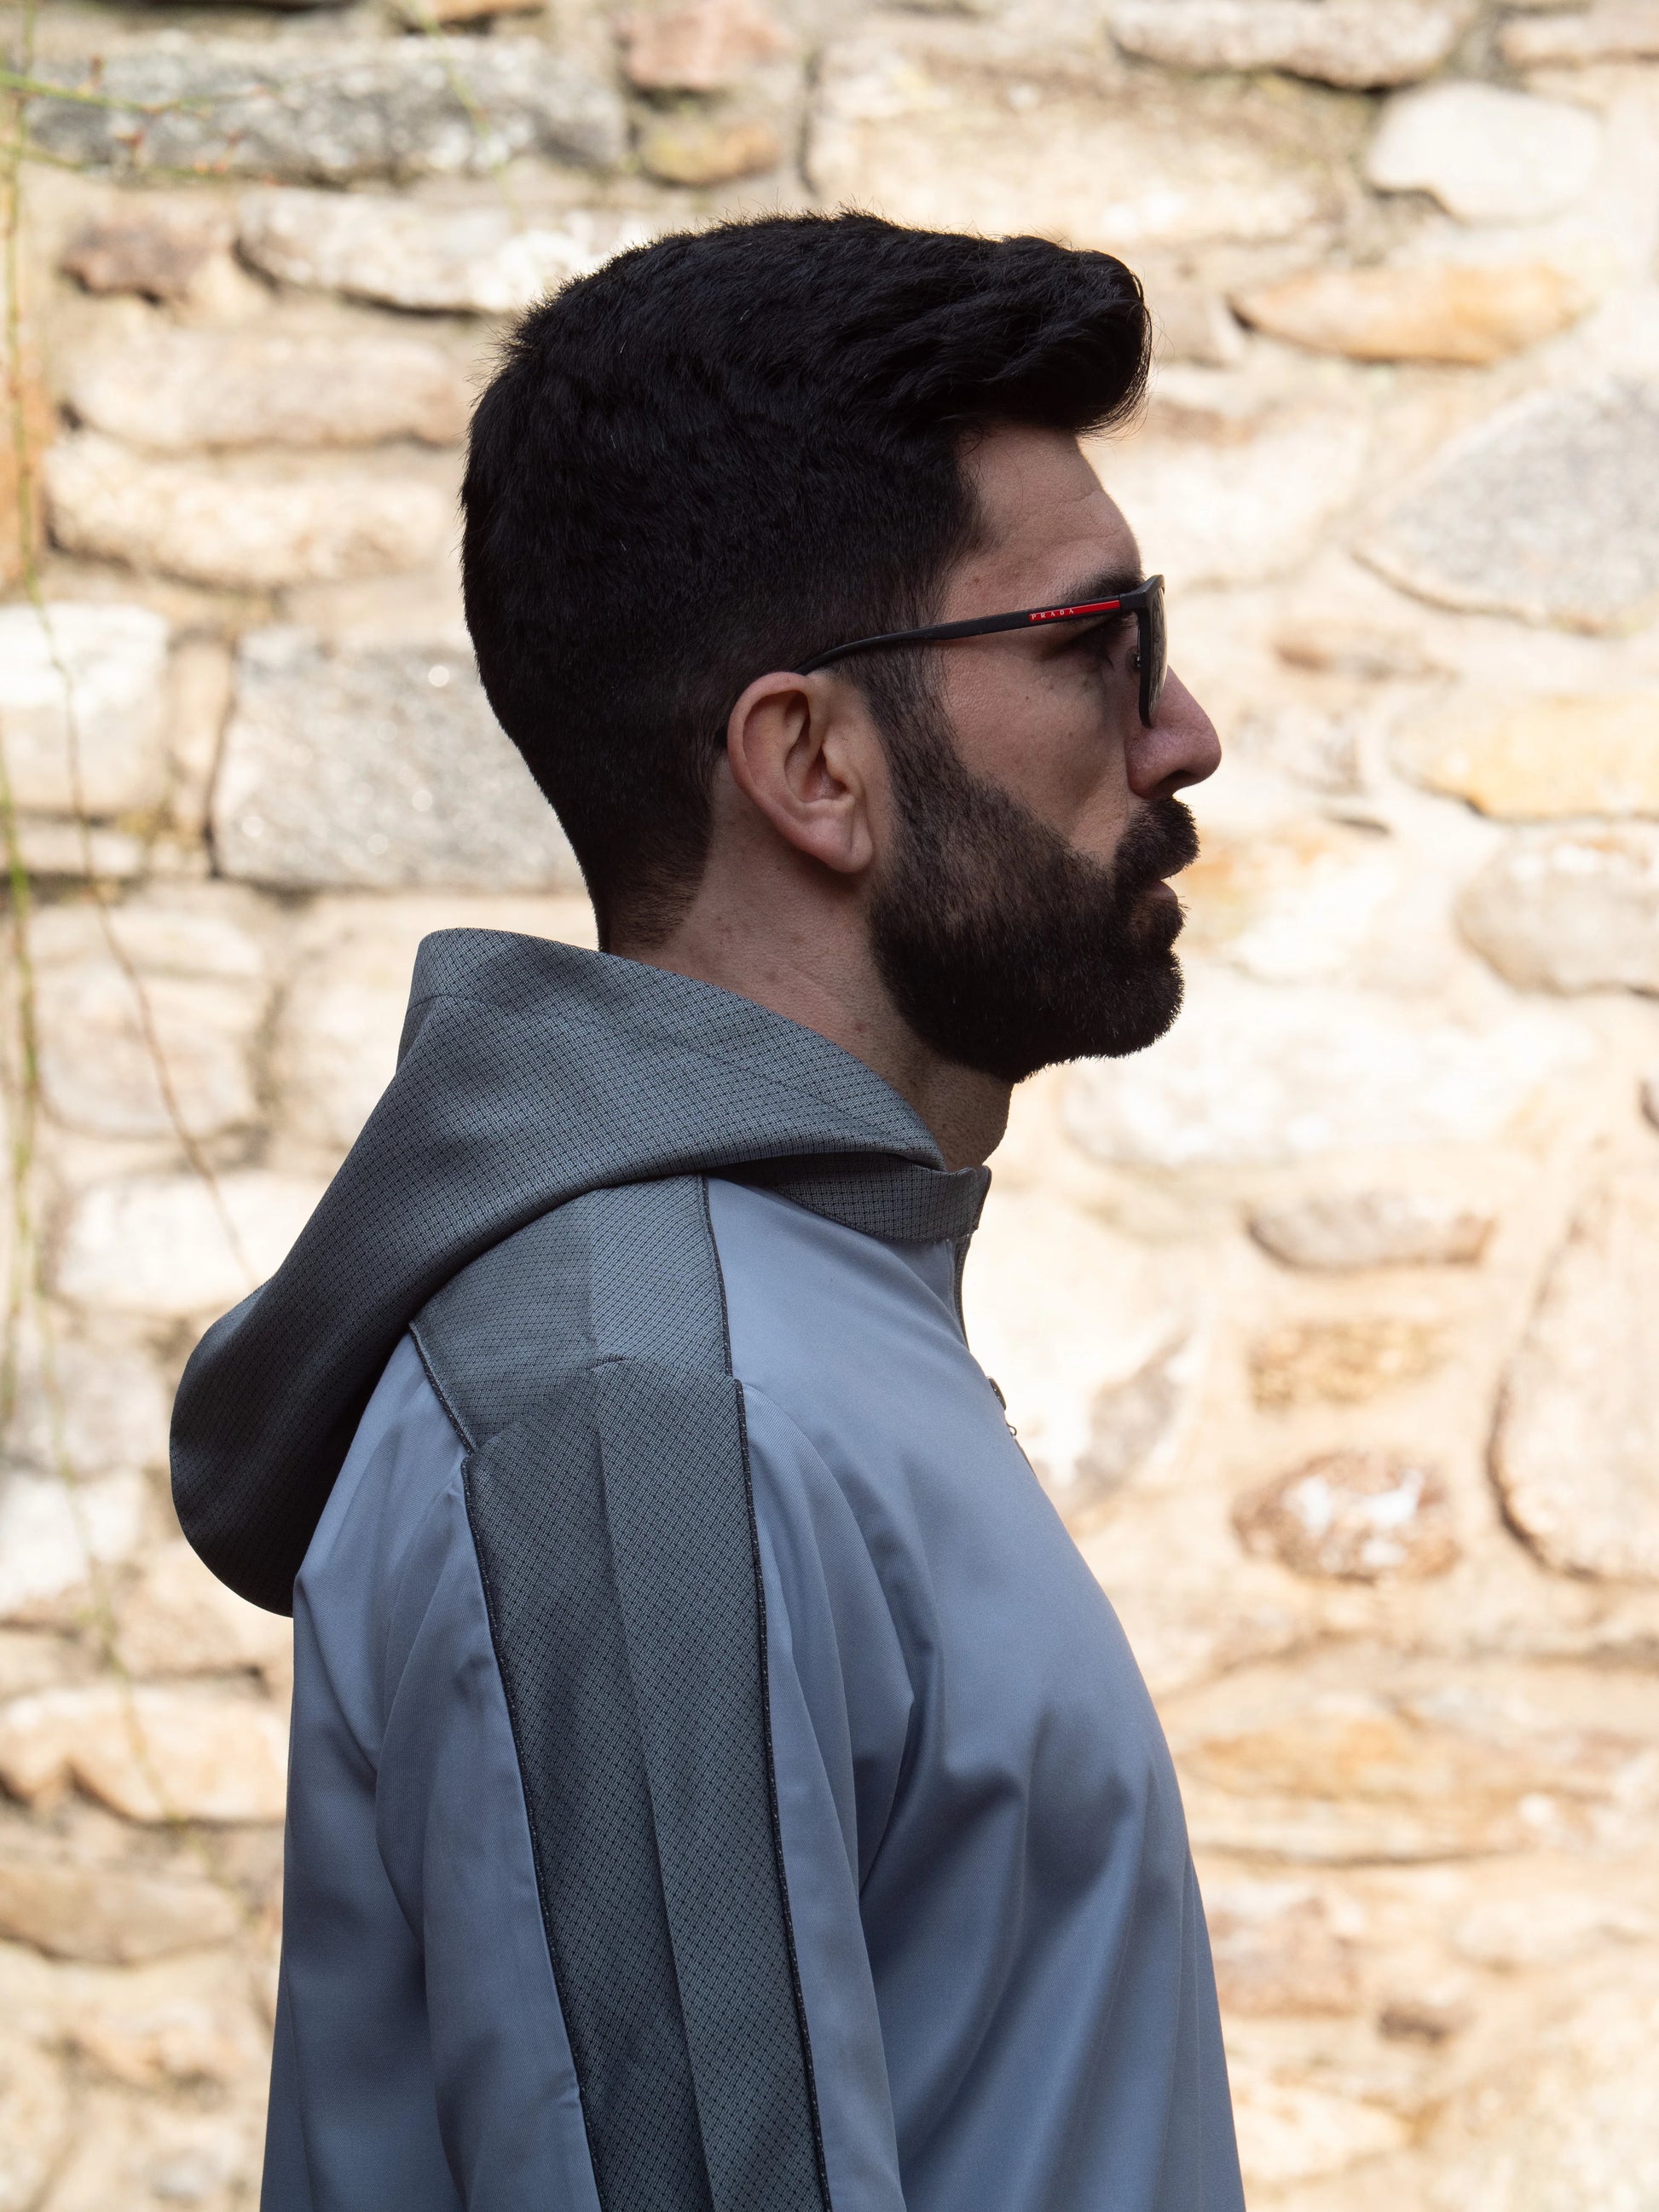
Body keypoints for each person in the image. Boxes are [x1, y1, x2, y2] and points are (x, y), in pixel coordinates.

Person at [171, 212, 1239, 2212]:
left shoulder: (778, 1320)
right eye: (1100, 639)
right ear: (812, 761)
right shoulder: (644, 1406)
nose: (1182, 732)